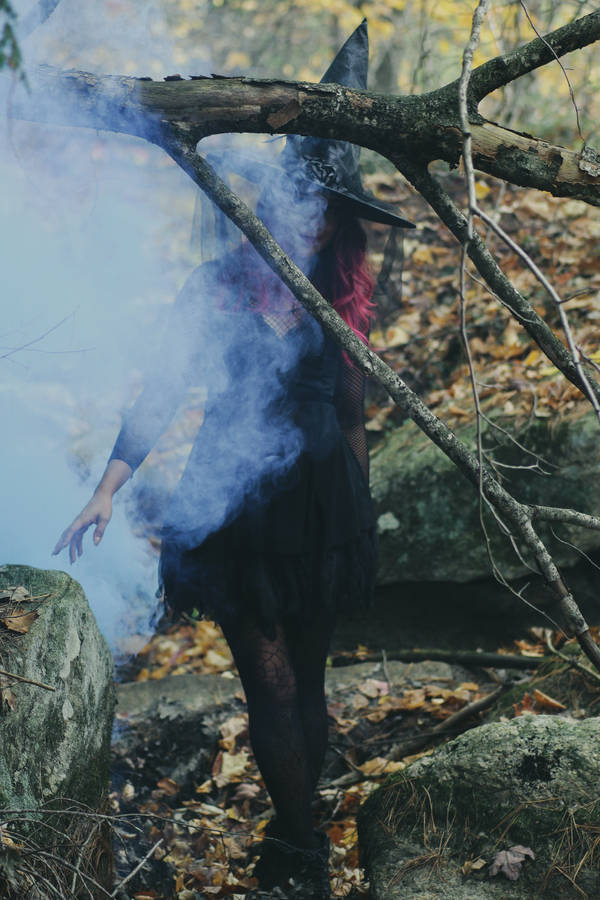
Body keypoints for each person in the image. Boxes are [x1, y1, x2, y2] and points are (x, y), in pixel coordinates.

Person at [53, 21, 413, 899]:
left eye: (326, 209)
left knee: (313, 684)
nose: (311, 220)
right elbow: (162, 392)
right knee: (270, 682)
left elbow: (352, 410)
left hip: (325, 506)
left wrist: (358, 509)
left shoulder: (341, 295)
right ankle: (307, 853)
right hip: (240, 508)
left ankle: (291, 853)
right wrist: (108, 489)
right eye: (302, 202)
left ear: (335, 221)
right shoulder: (214, 289)